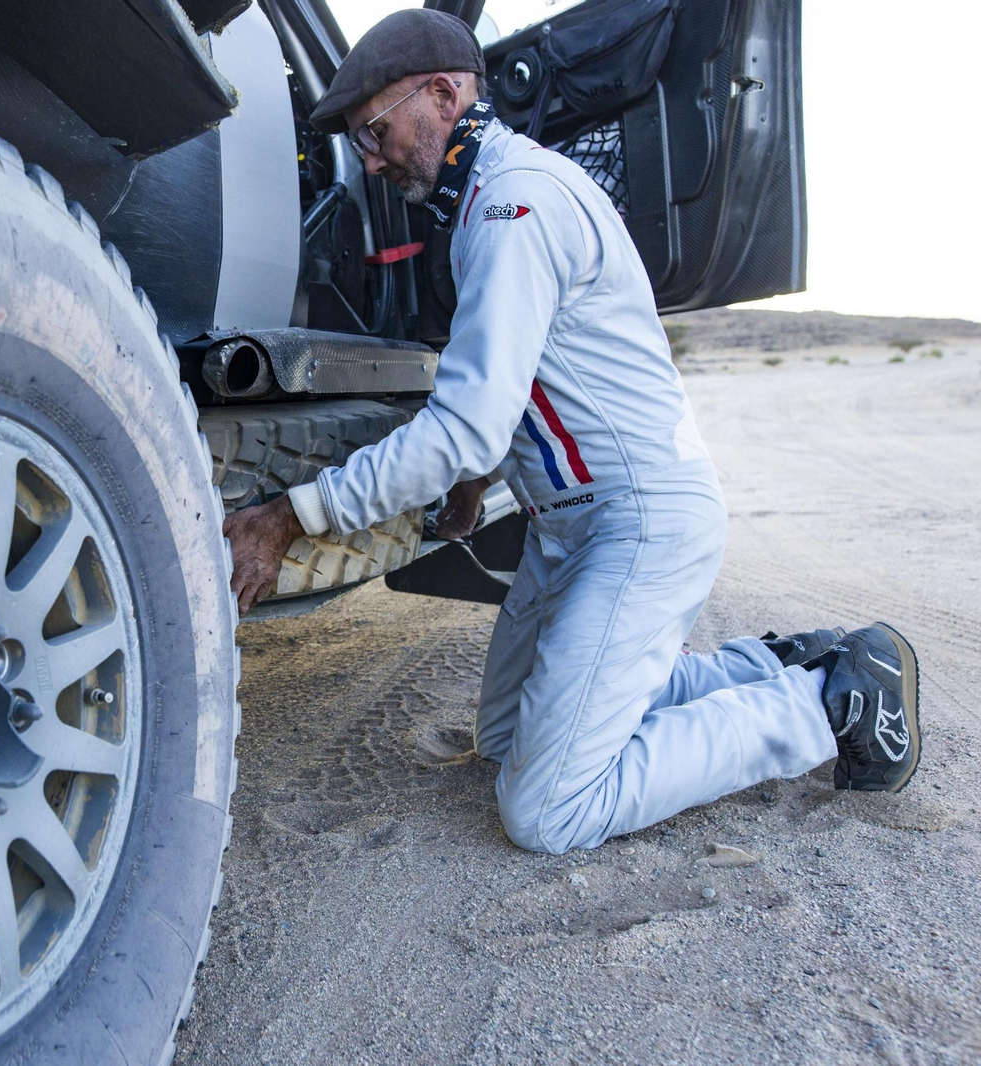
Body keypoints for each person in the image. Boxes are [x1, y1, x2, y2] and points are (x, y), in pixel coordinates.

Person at [222, 8, 921, 854]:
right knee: (508, 740)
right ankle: (782, 665)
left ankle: (825, 705)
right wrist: (478, 489)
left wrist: (290, 515)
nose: (367, 161)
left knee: (548, 809)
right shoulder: (487, 200)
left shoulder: (515, 205)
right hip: (572, 529)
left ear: (444, 95)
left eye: (373, 131)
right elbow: (518, 386)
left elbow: (467, 427)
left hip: (637, 520)